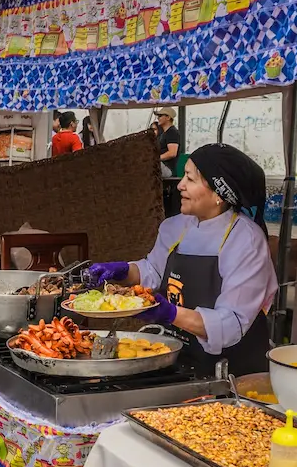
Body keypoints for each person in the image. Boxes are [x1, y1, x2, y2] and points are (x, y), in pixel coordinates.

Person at [89, 143, 277, 376]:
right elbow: (154, 270)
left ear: (219, 193)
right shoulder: (175, 226)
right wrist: (123, 271)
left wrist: (169, 313)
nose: (180, 185)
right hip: (179, 358)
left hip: (231, 370)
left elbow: (230, 324)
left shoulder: (245, 240)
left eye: (190, 178)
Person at [155, 107, 181, 178]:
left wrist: (155, 159)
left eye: (160, 116)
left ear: (168, 117)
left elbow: (172, 153)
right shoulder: (164, 133)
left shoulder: (172, 132)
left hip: (168, 169)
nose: (158, 118)